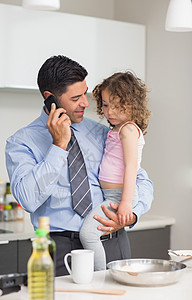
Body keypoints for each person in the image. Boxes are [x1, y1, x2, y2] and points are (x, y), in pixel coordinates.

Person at [5, 55, 153, 276]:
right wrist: (59, 145)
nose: (85, 102)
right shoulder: (21, 142)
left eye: (85, 93)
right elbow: (28, 199)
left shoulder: (104, 133)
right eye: (76, 97)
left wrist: (132, 214)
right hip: (60, 251)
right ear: (50, 98)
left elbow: (141, 180)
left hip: (112, 243)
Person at [80, 71, 151, 271]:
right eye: (105, 104)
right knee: (93, 234)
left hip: (120, 196)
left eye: (117, 105)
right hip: (113, 195)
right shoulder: (116, 129)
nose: (110, 111)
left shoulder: (128, 130)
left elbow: (131, 168)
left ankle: (99, 276)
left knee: (88, 235)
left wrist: (126, 203)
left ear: (132, 104)